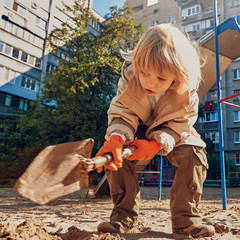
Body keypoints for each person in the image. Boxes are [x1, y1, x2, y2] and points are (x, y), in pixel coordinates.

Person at [96, 23, 215, 238]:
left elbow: (182, 123)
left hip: (172, 131)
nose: (150, 82)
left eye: (161, 78)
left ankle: (185, 220)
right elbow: (123, 111)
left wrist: (156, 144)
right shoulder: (130, 76)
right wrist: (116, 137)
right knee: (115, 156)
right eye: (145, 73)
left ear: (177, 76)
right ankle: (123, 218)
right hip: (135, 127)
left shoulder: (186, 92)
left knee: (195, 154)